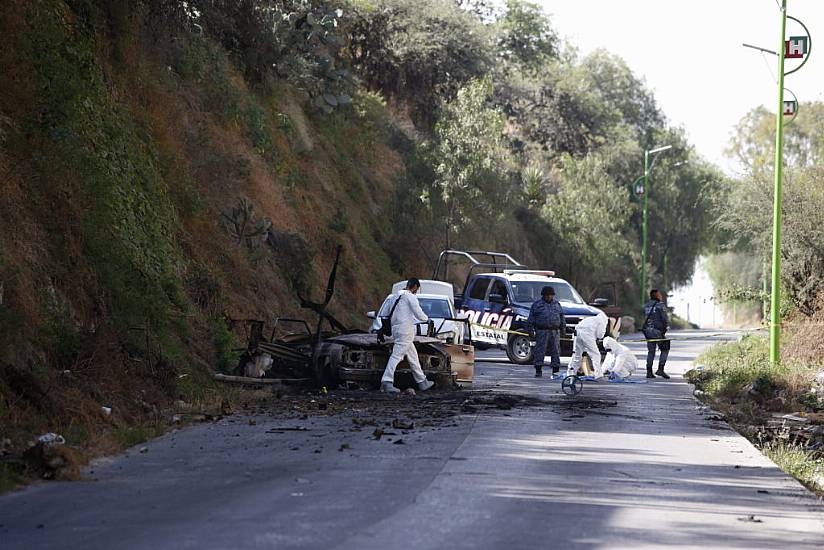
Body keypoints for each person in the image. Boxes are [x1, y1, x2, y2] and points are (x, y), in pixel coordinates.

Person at [380, 278, 436, 393]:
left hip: (396, 330)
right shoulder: (410, 297)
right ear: (415, 286)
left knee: (413, 356)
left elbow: (386, 313)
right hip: (406, 330)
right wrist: (427, 319)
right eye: (417, 289)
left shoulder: (395, 296)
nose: (416, 291)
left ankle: (422, 381)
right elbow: (419, 313)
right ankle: (386, 381)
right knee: (396, 356)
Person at [526, 286, 565, 377]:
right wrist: (530, 329)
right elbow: (531, 318)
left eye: (550, 295)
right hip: (541, 330)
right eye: (547, 295)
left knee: (555, 350)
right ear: (543, 295)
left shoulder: (557, 304)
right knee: (540, 350)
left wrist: (563, 328)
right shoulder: (537, 305)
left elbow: (561, 317)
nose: (549, 297)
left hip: (554, 331)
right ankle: (538, 369)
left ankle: (555, 370)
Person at [567, 310, 608, 379]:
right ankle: (598, 374)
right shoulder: (602, 321)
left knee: (577, 354)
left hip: (577, 333)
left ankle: (570, 374)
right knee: (595, 354)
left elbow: (578, 326)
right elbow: (600, 335)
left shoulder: (591, 319)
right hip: (587, 335)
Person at [643, 289, 670, 379]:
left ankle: (649, 372)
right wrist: (664, 329)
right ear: (656, 295)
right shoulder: (660, 305)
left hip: (648, 331)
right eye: (659, 294)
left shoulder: (646, 305)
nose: (661, 296)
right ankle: (660, 369)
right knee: (665, 348)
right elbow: (664, 319)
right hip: (657, 331)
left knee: (651, 351)